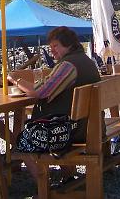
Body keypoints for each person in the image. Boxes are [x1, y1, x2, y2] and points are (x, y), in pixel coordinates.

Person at [8, 26, 100, 186]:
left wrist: (15, 80)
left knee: (21, 141)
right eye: (50, 47)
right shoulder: (86, 60)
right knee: (39, 129)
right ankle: (67, 176)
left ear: (68, 44)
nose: (52, 50)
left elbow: (40, 92)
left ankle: (45, 187)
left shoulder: (68, 65)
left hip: (71, 131)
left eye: (55, 46)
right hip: (89, 125)